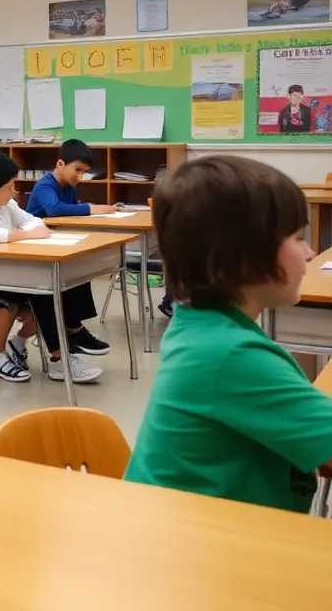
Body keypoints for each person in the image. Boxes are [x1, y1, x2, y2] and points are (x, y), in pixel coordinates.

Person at [123, 156, 332, 512]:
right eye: (298, 239)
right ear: (241, 256)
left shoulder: (199, 325)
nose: (310, 253)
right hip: (198, 541)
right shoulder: (229, 354)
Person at [0, 149, 103, 384]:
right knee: (16, 300)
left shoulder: (5, 204)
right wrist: (28, 234)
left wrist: (28, 230)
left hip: (0, 276)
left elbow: (32, 220)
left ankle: (29, 347)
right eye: (9, 186)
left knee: (47, 293)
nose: (14, 191)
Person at [24, 139, 114, 357]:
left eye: (84, 172)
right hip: (35, 248)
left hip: (54, 243)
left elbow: (71, 211)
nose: (80, 176)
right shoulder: (45, 185)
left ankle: (74, 328)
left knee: (80, 269)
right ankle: (74, 330)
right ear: (60, 164)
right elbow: (54, 209)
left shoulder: (68, 187)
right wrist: (91, 208)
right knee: (71, 272)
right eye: (78, 170)